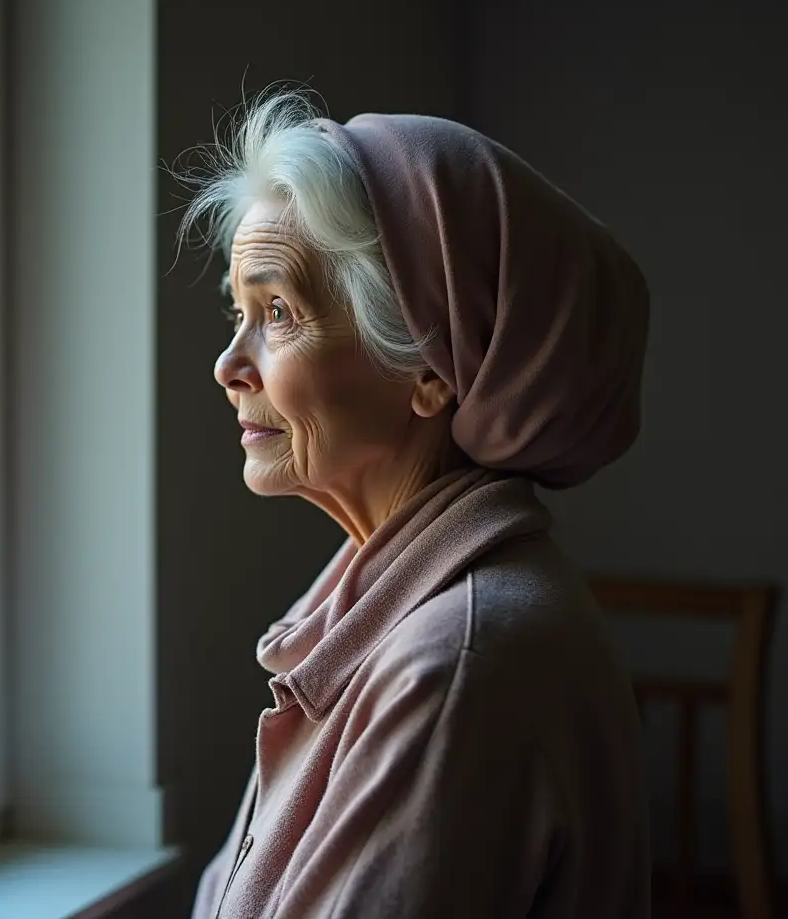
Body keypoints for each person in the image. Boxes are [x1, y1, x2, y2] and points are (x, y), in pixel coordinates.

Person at [177, 91, 652, 919]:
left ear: (432, 367)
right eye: (238, 312)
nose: (228, 365)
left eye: (278, 312)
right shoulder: (390, 615)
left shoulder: (454, 668)